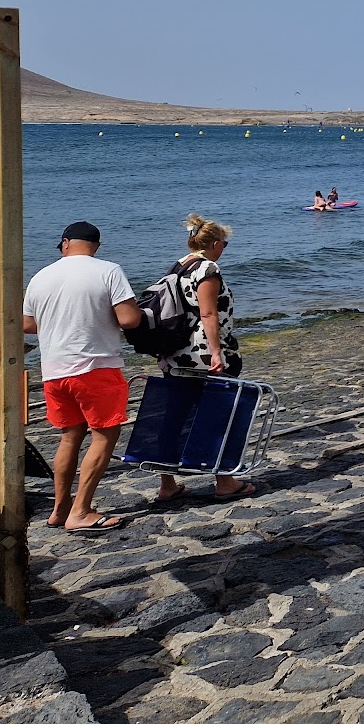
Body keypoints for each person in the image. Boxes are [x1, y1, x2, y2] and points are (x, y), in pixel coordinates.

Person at [23, 222, 141, 533]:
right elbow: (128, 319)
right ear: (96, 246)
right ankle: (82, 510)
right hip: (95, 366)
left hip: (53, 369)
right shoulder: (108, 270)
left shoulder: (40, 277)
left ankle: (60, 509)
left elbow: (28, 324)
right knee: (105, 435)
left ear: (64, 244)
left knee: (70, 436)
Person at [156, 214, 252, 504]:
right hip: (201, 354)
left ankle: (167, 484)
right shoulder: (208, 268)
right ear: (212, 243)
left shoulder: (179, 265)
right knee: (219, 412)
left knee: (174, 416)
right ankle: (224, 481)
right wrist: (216, 351)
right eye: (224, 243)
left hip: (176, 353)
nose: (225, 248)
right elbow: (208, 313)